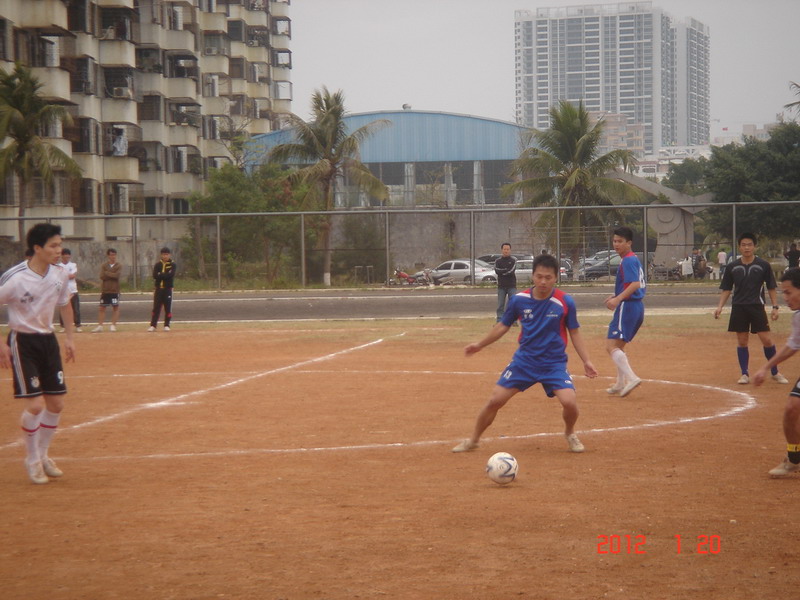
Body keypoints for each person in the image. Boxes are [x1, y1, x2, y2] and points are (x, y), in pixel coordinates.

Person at [452, 254, 597, 454]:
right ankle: (473, 440)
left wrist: (586, 361)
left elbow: (574, 332)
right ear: (532, 276)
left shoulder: (565, 302)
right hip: (524, 362)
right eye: (539, 276)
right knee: (495, 401)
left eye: (548, 277)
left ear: (556, 277)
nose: (543, 281)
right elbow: (502, 326)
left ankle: (570, 433)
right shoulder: (519, 300)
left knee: (569, 402)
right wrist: (480, 344)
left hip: (553, 364)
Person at [0, 223, 76, 484]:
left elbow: (65, 305)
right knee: (35, 405)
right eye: (53, 246)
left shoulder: (60, 273)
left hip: (48, 341)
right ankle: (32, 459)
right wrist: (1, 343)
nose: (59, 250)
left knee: (56, 404)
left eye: (60, 245)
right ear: (37, 248)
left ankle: (43, 455)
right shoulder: (16, 277)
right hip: (23, 342)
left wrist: (69, 338)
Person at [714, 232, 788, 385]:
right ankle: (744, 374)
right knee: (742, 341)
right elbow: (727, 288)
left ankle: (775, 372)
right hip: (739, 307)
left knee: (766, 340)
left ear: (754, 246)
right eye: (743, 245)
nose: (746, 248)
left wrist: (775, 307)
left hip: (757, 306)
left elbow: (771, 287)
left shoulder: (763, 265)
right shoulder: (732, 266)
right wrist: (719, 306)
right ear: (739, 247)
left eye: (749, 245)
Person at [752, 268, 800, 476]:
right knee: (791, 409)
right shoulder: (798, 317)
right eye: (783, 293)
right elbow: (792, 345)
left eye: (788, 292)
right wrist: (765, 367)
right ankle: (794, 458)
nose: (785, 298)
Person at [604, 227, 646, 397]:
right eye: (614, 241)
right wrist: (616, 295)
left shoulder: (628, 260)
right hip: (635, 306)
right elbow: (630, 284)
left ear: (629, 243)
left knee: (611, 346)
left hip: (628, 307)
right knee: (619, 346)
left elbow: (635, 284)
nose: (616, 244)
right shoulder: (631, 259)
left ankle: (632, 378)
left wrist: (618, 299)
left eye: (620, 241)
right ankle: (620, 383)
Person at [93, 248, 121, 332]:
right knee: (102, 308)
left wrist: (107, 273)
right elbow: (102, 276)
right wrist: (111, 274)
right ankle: (100, 326)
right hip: (105, 290)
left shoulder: (118, 265)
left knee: (115, 307)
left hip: (114, 290)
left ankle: (113, 325)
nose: (113, 256)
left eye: (114, 255)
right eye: (111, 255)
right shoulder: (104, 265)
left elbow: (117, 276)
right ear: (108, 256)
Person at [149, 247, 176, 332]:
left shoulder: (172, 264)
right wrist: (164, 275)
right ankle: (153, 325)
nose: (165, 256)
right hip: (158, 289)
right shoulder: (158, 265)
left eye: (167, 254)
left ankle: (167, 325)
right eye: (164, 254)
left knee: (168, 307)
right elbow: (155, 275)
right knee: (156, 307)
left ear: (169, 255)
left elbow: (170, 275)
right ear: (161, 255)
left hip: (168, 289)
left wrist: (160, 274)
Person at [58, 248, 82, 333]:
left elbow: (72, 276)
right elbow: (58, 277)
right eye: (65, 256)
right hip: (63, 291)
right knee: (63, 309)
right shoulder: (58, 266)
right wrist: (66, 275)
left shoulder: (73, 265)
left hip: (73, 290)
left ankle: (78, 325)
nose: (67, 257)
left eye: (68, 256)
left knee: (76, 309)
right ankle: (63, 326)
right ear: (62, 256)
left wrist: (63, 275)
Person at [493, 242, 517, 322]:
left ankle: (513, 320)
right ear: (502, 250)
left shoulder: (513, 260)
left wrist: (503, 271)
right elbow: (497, 270)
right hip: (501, 286)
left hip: (511, 286)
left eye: (507, 249)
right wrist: (505, 270)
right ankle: (499, 320)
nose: (506, 251)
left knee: (513, 304)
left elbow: (511, 271)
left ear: (510, 250)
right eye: (504, 249)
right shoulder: (497, 261)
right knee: (500, 305)